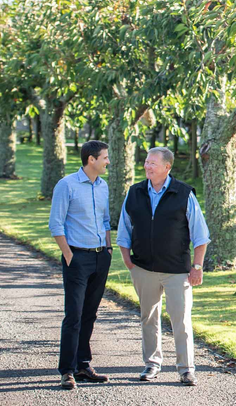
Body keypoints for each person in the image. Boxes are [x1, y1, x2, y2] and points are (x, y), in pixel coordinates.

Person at [117, 146, 210, 387]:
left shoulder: (184, 194)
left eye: (153, 163)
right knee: (148, 318)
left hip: (177, 271)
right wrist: (128, 261)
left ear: (167, 167)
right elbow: (124, 230)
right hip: (144, 269)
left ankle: (186, 369)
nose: (147, 166)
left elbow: (200, 235)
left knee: (181, 320)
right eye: (146, 162)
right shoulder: (134, 192)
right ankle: (152, 364)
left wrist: (197, 267)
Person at [48, 140, 112, 390]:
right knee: (73, 316)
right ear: (91, 160)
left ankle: (83, 365)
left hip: (100, 258)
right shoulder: (67, 185)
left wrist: (107, 249)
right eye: (105, 157)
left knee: (90, 314)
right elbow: (56, 224)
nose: (108, 161)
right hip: (77, 258)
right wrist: (68, 255)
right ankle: (67, 371)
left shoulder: (103, 185)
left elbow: (106, 220)